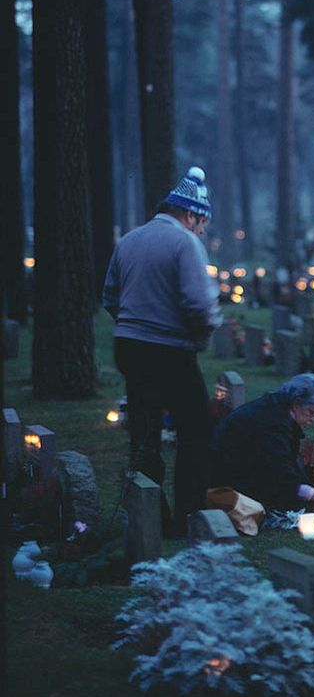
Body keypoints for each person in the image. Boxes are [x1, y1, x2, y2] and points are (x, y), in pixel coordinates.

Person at [103, 166, 222, 535]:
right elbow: (200, 304)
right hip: (168, 349)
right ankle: (190, 513)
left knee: (144, 430)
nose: (201, 230)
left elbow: (110, 295)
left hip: (129, 346)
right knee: (196, 430)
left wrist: (134, 323)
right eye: (201, 222)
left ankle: (149, 513)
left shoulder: (130, 240)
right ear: (190, 214)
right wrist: (200, 336)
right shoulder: (184, 242)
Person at [211, 373, 314, 512]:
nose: (313, 419)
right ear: (296, 403)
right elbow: (278, 472)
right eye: (311, 412)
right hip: (229, 485)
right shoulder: (271, 425)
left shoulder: (274, 407)